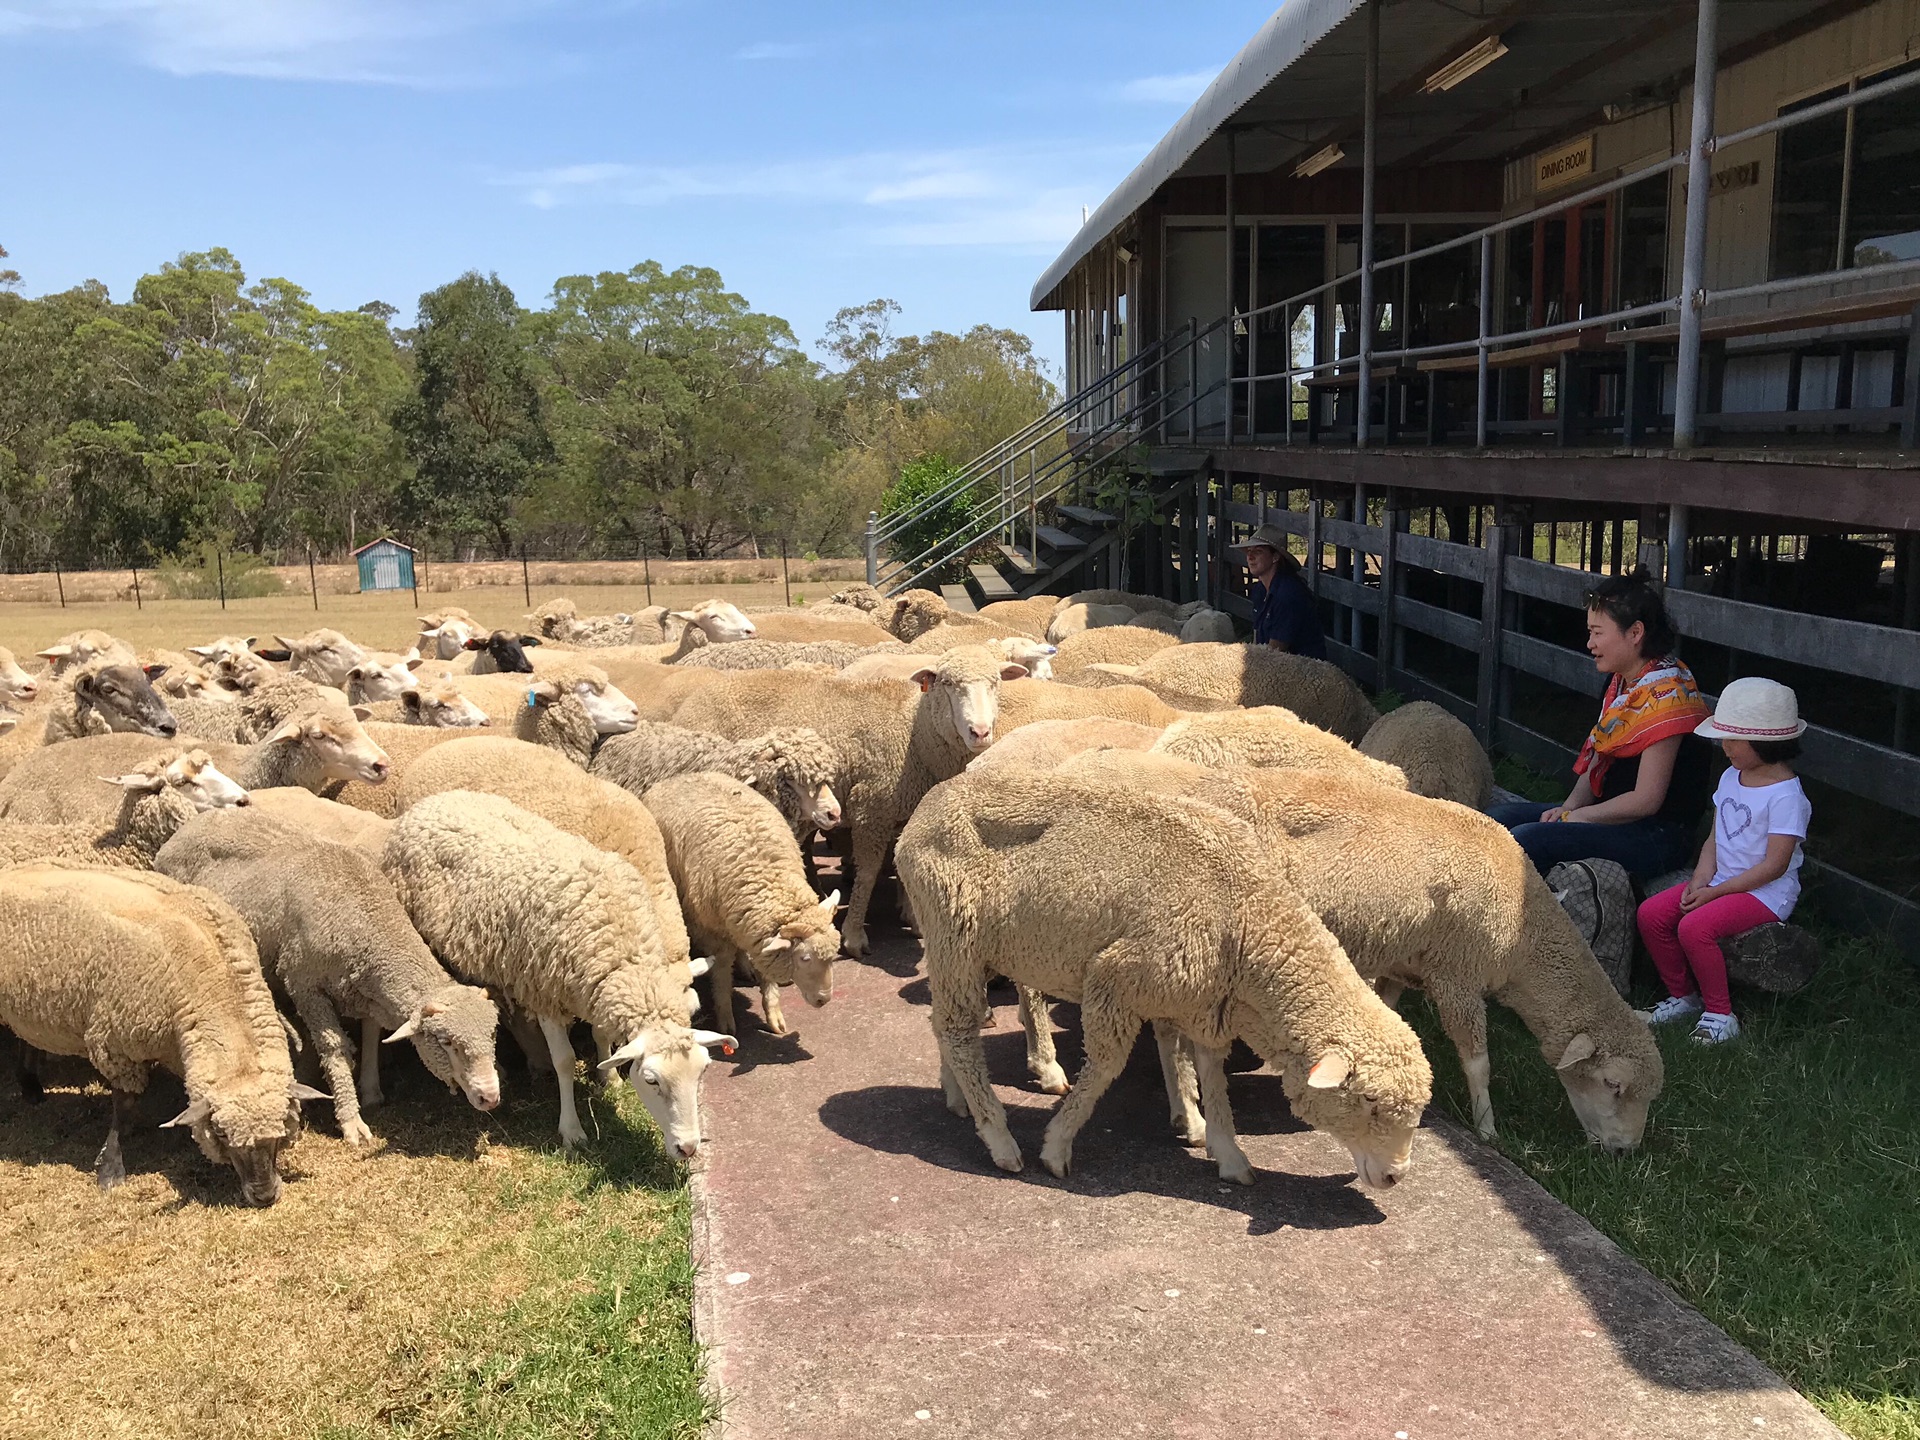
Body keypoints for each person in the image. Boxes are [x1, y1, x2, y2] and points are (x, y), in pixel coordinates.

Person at [1489, 567, 1712, 878]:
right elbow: (1600, 754)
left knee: (1527, 839)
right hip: (1611, 815)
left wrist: (1578, 817)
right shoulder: (1623, 681)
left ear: (1635, 633)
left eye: (1597, 633)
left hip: (1657, 834)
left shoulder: (1667, 694)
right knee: (1494, 818)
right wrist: (1569, 809)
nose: (1590, 643)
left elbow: (1646, 800)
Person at [1636, 677, 1811, 1046]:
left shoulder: (1785, 797)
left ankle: (1720, 1013)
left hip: (1764, 894)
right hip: (1722, 883)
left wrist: (1716, 895)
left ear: (1765, 742)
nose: (1723, 746)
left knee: (1694, 927)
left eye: (1732, 739)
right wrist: (1701, 879)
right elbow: (1716, 838)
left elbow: (1774, 866)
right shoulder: (1732, 776)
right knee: (1651, 915)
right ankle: (1684, 996)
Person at [1230, 522, 1327, 660]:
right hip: (1272, 663)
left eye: (1258, 552)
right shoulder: (1260, 590)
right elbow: (1258, 638)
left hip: (1300, 669)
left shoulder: (1289, 595)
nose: (1250, 557)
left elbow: (1276, 651)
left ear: (1275, 557)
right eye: (1249, 552)